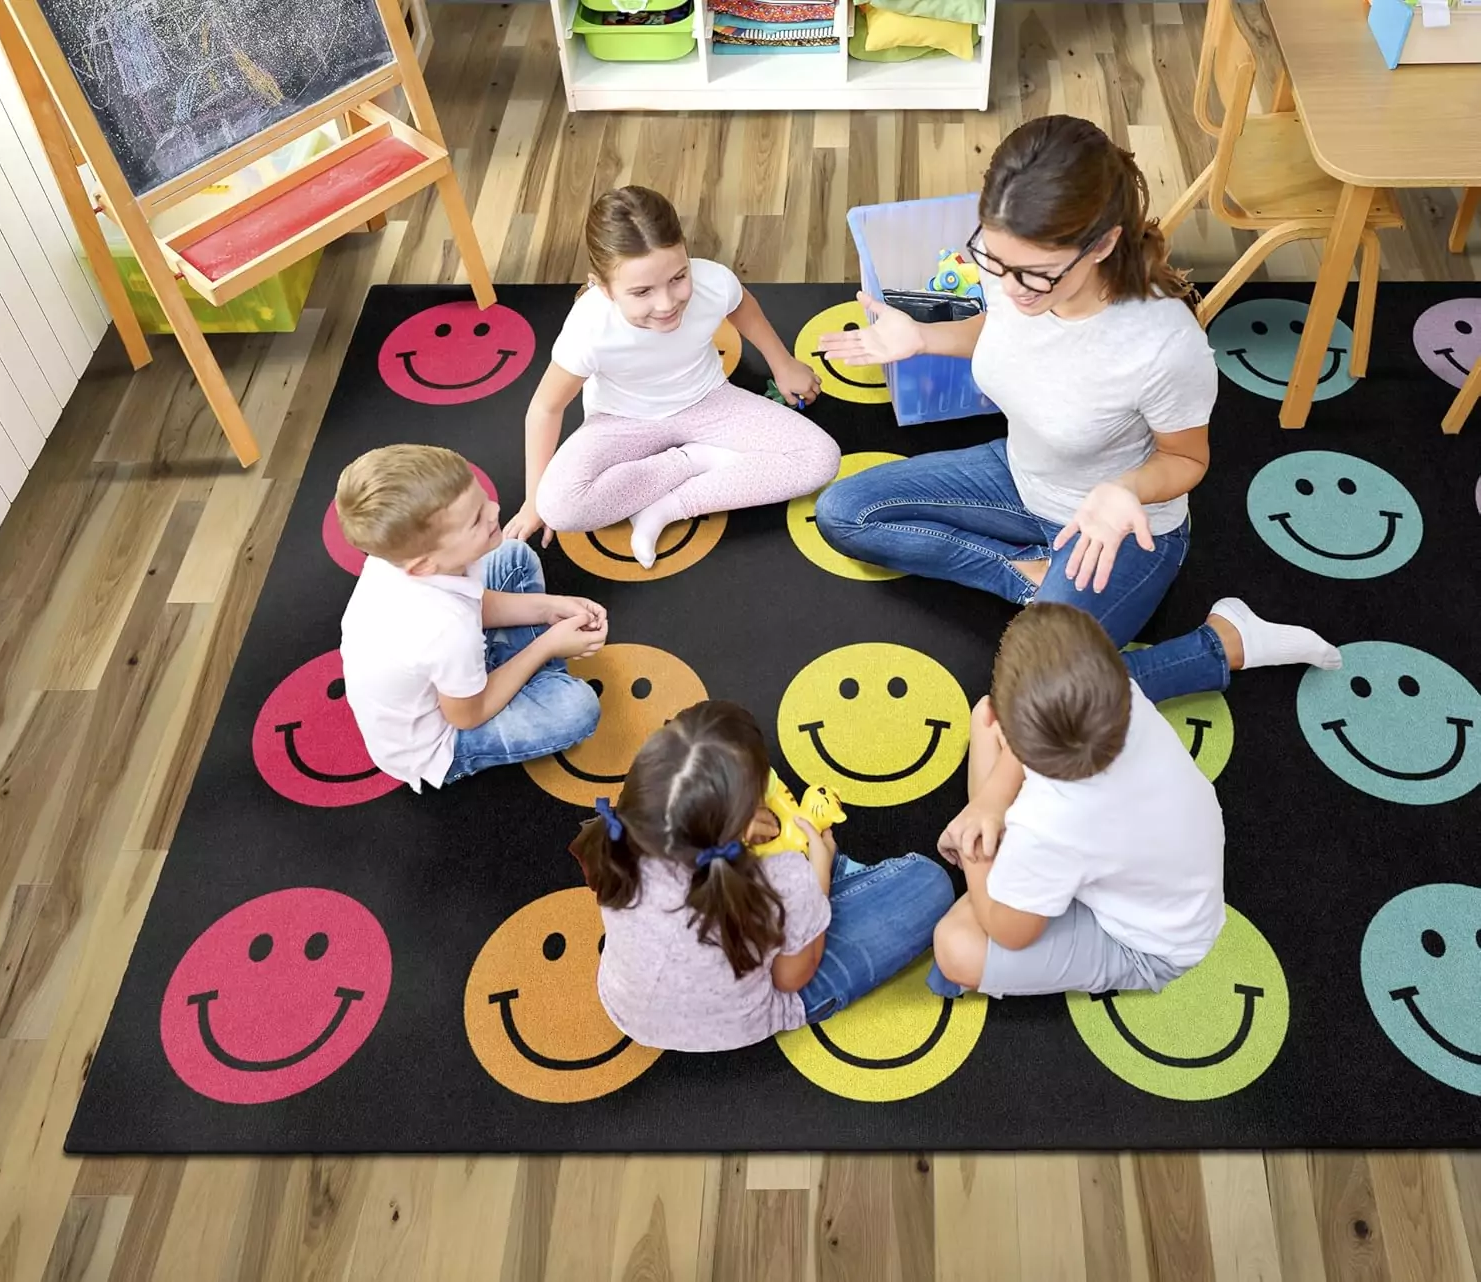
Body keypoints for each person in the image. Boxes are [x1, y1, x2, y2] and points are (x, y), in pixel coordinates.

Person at [814, 114, 1341, 708]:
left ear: (1104, 244)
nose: (1010, 287)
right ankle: (1028, 575)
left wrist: (1125, 490)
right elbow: (1007, 329)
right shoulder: (1014, 261)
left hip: (1121, 526)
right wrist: (925, 339)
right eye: (994, 260)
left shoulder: (1163, 342)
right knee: (845, 514)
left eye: (1035, 275)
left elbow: (1187, 458)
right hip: (1019, 476)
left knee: (1039, 700)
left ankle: (1225, 642)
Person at [571, 700, 955, 1053]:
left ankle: (827, 890)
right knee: (929, 883)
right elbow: (792, 978)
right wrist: (817, 872)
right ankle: (835, 877)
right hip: (749, 1017)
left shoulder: (617, 842)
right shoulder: (786, 877)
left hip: (627, 1009)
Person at [503, 185, 841, 569]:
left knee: (820, 459)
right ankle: (690, 461)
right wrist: (533, 501)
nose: (666, 304)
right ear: (603, 287)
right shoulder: (589, 329)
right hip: (621, 421)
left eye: (678, 278)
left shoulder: (712, 281)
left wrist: (783, 364)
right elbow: (546, 408)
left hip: (709, 401)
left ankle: (667, 506)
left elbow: (742, 305)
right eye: (642, 291)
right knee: (560, 508)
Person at [929, 604, 1224, 999]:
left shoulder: (1051, 826)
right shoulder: (1122, 697)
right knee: (986, 718)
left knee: (955, 946)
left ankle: (1011, 872)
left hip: (1150, 944)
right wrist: (991, 802)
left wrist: (973, 853)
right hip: (1165, 875)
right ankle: (1023, 877)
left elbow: (1010, 933)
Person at [337, 444, 605, 792]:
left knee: (513, 556)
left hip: (452, 665)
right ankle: (534, 674)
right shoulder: (443, 629)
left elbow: (473, 603)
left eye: (482, 498)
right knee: (576, 710)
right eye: (477, 519)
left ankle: (522, 674)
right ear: (424, 565)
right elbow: (468, 715)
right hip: (444, 739)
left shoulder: (403, 563)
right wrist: (546, 645)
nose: (494, 510)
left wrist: (547, 607)